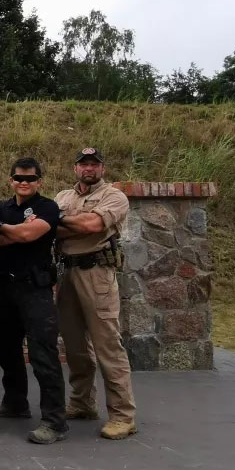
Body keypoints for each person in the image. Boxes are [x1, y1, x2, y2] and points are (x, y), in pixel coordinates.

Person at [55, 147, 137, 440]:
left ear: (102, 168)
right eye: (83, 164)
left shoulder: (114, 196)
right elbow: (54, 230)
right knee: (74, 345)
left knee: (108, 346)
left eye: (94, 164)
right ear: (75, 168)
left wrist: (60, 222)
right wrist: (72, 225)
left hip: (98, 274)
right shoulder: (62, 197)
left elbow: (93, 225)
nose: (88, 168)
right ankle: (82, 403)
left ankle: (123, 416)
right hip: (67, 272)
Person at [0, 157, 67, 444]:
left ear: (39, 181)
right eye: (19, 178)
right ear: (11, 180)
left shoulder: (48, 207)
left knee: (43, 355)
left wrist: (6, 228)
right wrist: (16, 229)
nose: (24, 183)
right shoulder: (3, 208)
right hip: (7, 288)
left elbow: (27, 234)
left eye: (30, 179)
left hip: (36, 290)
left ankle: (55, 421)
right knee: (6, 350)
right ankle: (15, 403)